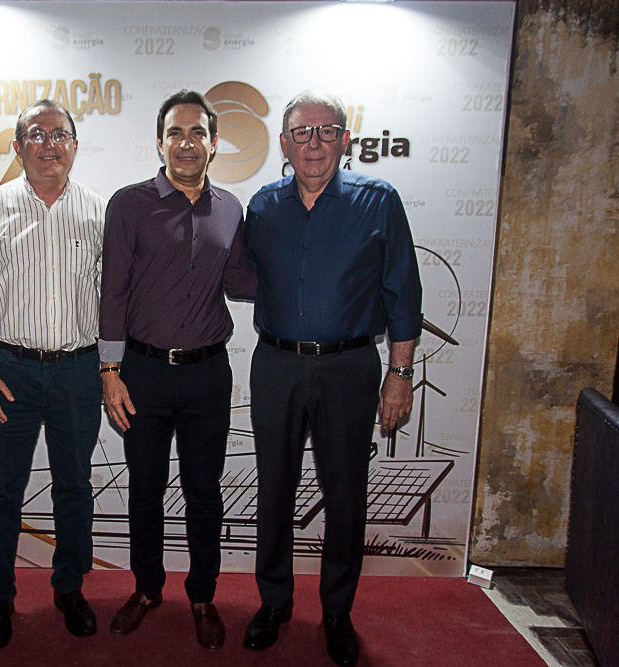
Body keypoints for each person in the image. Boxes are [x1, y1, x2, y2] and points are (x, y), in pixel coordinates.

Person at [242, 90, 423, 666]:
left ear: (345, 140)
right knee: (274, 488)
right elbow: (239, 275)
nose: (314, 143)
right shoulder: (262, 207)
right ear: (284, 143)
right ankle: (274, 602)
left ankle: (338, 612)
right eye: (302, 132)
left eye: (326, 132)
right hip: (276, 364)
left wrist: (399, 373)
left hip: (350, 367)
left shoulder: (379, 201)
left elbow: (403, 292)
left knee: (345, 492)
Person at [98, 90, 256, 651]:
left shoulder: (232, 209)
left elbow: (239, 280)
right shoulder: (129, 204)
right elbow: (113, 289)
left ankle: (202, 595)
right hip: (141, 373)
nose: (186, 143)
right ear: (159, 142)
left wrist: (301, 274)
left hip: (208, 375)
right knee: (146, 489)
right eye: (175, 133)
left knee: (204, 492)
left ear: (213, 143)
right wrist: (109, 369)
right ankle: (146, 589)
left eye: (197, 133)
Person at [0, 99, 106, 651]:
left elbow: (110, 299)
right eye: (37, 135)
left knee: (75, 486)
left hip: (78, 371)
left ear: (75, 145)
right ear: (19, 146)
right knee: (3, 490)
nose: (50, 145)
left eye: (59, 134)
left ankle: (69, 587)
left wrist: (109, 368)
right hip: (9, 371)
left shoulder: (98, 211)